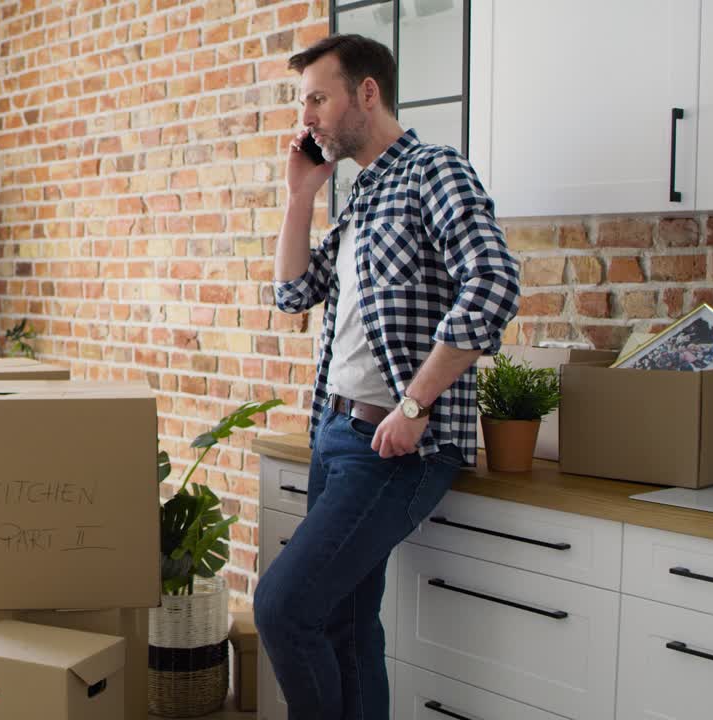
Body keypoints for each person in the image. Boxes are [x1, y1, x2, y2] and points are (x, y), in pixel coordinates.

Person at [253, 34, 521, 720]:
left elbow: (492, 285)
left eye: (317, 97)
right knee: (345, 626)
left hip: (394, 447)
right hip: (336, 436)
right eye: (303, 101)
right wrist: (300, 196)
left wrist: (415, 402)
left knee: (282, 608)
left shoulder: (436, 171)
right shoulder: (364, 195)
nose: (305, 116)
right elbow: (291, 294)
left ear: (366, 93)